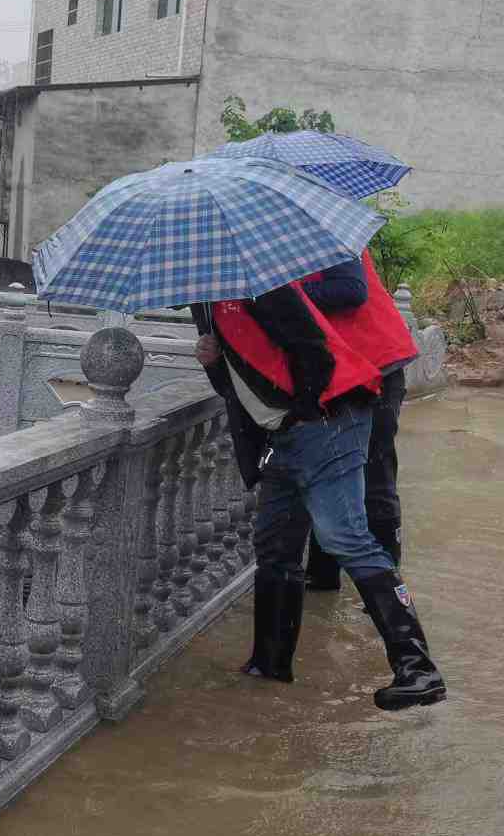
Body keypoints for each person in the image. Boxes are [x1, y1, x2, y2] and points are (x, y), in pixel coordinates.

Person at [191, 277, 447, 711]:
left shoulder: (261, 284)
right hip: (283, 436)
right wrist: (214, 364)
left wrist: (305, 414)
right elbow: (240, 387)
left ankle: (418, 670)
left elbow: (315, 349)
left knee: (344, 536)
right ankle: (269, 666)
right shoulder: (208, 304)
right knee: (274, 547)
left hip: (327, 421)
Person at [296, 252, 417, 591]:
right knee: (329, 468)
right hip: (338, 369)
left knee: (374, 472)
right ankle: (322, 574)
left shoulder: (327, 231)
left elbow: (352, 289)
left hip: (376, 363)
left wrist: (283, 296)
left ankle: (389, 583)